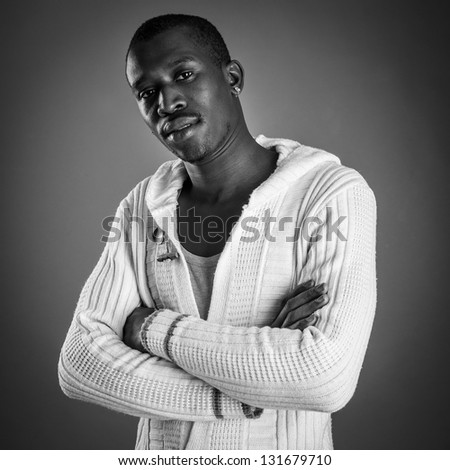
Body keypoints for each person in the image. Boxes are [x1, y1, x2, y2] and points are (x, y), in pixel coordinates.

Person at [58, 14, 377, 450]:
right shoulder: (141, 207)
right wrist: (245, 390)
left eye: (184, 75)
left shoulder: (328, 193)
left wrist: (153, 331)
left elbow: (323, 378)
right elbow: (79, 363)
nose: (166, 102)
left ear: (232, 77)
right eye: (146, 92)